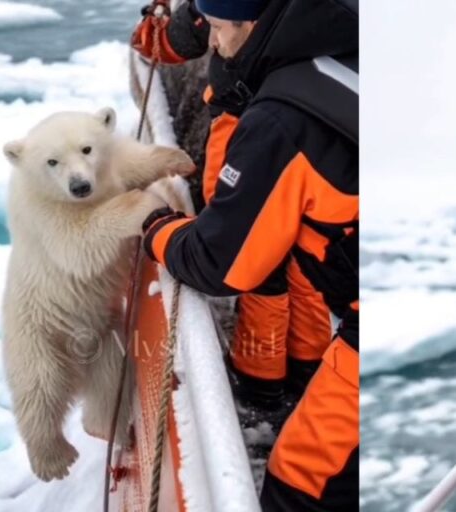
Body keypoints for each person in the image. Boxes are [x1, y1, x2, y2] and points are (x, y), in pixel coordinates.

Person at [132, 0, 358, 510]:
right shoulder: (338, 38)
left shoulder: (280, 120)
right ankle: (296, 379)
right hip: (345, 286)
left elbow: (221, 263)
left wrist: (155, 228)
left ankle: (262, 389)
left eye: (217, 29)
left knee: (300, 483)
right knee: (297, 265)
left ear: (252, 23)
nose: (212, 42)